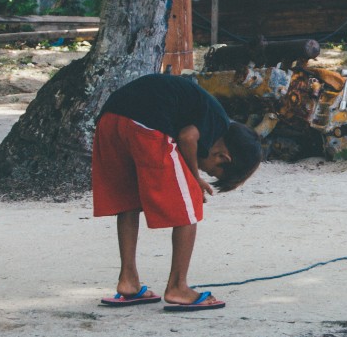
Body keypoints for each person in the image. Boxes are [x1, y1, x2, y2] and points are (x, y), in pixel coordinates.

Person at [91, 72, 262, 313]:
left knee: (129, 203)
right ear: (223, 157)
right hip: (147, 125)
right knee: (191, 203)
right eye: (213, 172)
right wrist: (195, 177)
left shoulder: (204, 110)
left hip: (110, 121)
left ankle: (128, 281)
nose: (207, 172)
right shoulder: (217, 122)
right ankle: (178, 287)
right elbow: (187, 137)